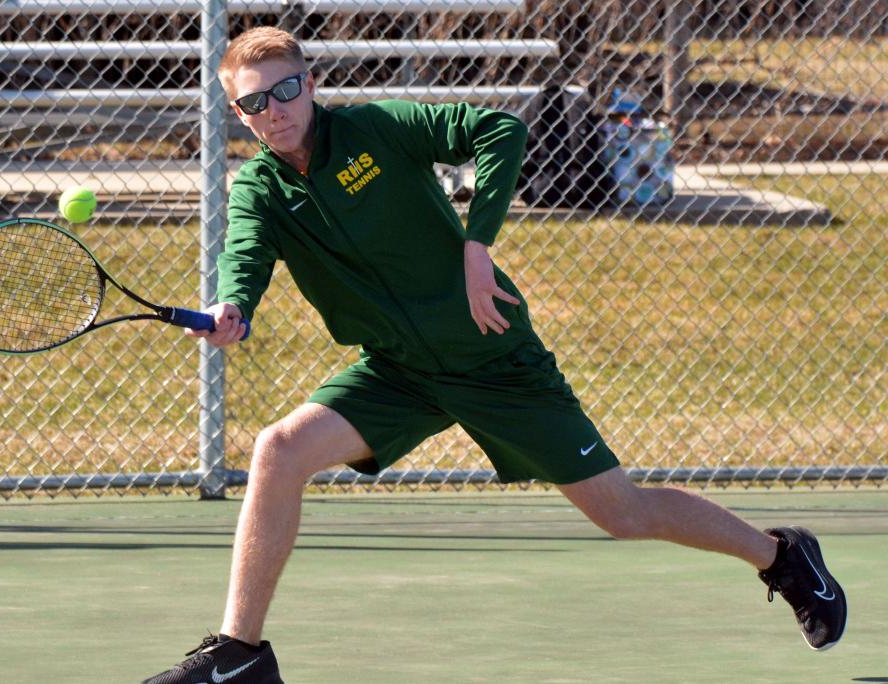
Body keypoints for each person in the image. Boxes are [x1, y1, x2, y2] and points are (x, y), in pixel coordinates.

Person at [142, 27, 847, 684]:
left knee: (622, 513)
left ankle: (783, 557)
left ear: (312, 82)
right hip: (400, 370)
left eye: (287, 89)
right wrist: (234, 307)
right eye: (256, 103)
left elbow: (500, 127)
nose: (276, 110)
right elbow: (245, 254)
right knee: (279, 449)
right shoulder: (262, 190)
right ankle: (240, 656)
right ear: (239, 114)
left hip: (493, 358)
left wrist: (477, 244)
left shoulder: (378, 128)